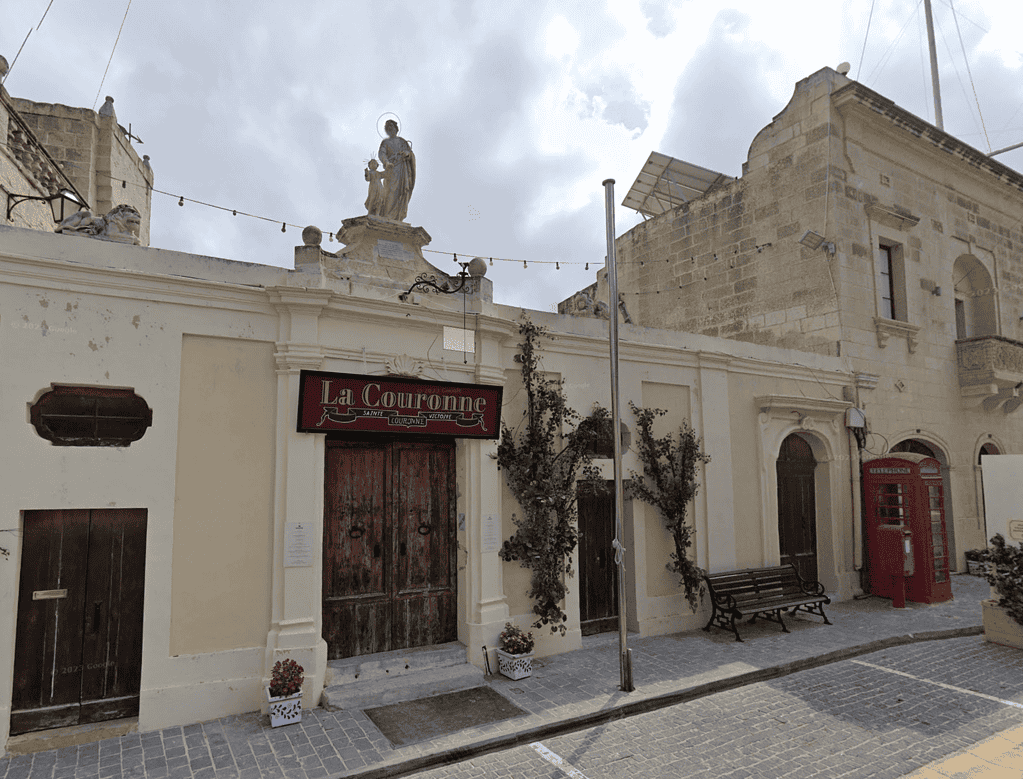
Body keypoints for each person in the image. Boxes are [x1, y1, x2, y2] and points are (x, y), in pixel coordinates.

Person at [377, 119, 415, 221]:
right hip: (392, 169)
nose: (390, 130)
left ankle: (397, 216)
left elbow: (410, 153)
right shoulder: (385, 142)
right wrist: (386, 162)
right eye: (387, 128)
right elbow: (382, 153)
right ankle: (387, 215)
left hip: (402, 169)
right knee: (391, 192)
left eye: (391, 127)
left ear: (396, 129)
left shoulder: (402, 141)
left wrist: (407, 154)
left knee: (401, 192)